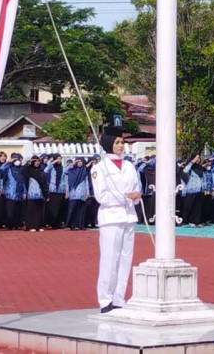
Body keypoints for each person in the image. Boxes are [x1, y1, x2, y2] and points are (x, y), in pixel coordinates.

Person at [92, 127, 141, 313]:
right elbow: (101, 196)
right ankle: (105, 299)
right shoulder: (100, 168)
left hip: (128, 216)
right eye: (117, 142)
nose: (121, 146)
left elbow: (137, 189)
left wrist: (135, 196)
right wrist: (126, 197)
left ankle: (119, 297)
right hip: (111, 217)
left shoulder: (129, 166)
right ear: (109, 144)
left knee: (125, 258)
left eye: (122, 142)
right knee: (109, 259)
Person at [0, 153, 26, 230]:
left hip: (19, 193)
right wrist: (8, 162)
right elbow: (1, 169)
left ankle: (17, 224)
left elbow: (23, 181)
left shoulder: (21, 169)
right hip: (10, 193)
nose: (17, 161)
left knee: (18, 210)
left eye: (18, 159)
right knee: (10, 210)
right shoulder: (8, 168)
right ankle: (10, 225)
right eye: (15, 160)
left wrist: (24, 192)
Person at [23, 155, 49, 232]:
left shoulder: (41, 171)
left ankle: (39, 225)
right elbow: (23, 171)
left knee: (40, 211)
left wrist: (46, 194)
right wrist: (29, 163)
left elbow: (44, 183)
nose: (37, 163)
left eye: (38, 161)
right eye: (35, 161)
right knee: (31, 210)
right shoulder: (29, 171)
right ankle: (31, 226)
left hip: (40, 194)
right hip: (32, 194)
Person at [44, 154, 69, 229]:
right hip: (53, 189)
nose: (59, 160)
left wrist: (66, 190)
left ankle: (58, 223)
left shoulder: (63, 168)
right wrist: (52, 162)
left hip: (60, 190)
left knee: (59, 207)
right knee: (52, 207)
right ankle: (51, 222)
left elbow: (65, 179)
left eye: (60, 159)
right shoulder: (52, 167)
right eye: (57, 158)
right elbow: (46, 170)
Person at [181, 154, 206, 227]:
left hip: (199, 189)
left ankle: (197, 222)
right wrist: (191, 162)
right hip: (191, 189)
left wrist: (204, 187)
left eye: (199, 158)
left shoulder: (200, 167)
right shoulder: (190, 166)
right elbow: (185, 171)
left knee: (198, 207)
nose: (198, 159)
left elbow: (203, 178)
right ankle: (187, 221)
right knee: (189, 206)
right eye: (196, 158)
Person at [66, 157, 89, 230]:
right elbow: (65, 171)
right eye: (78, 161)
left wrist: (87, 192)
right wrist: (72, 164)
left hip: (82, 192)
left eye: (81, 161)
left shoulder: (84, 171)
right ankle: (71, 225)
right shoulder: (72, 170)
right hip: (74, 193)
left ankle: (80, 225)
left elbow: (87, 182)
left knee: (81, 210)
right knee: (72, 209)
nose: (79, 163)